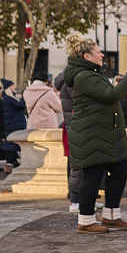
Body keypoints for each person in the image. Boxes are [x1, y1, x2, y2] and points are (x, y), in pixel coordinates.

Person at [64, 34, 127, 234]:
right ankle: (86, 221)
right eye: (98, 52)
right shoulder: (84, 76)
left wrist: (117, 82)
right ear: (87, 56)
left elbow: (105, 94)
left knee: (121, 168)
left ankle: (111, 215)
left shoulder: (89, 74)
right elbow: (110, 95)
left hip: (101, 135)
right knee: (92, 177)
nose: (102, 55)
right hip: (91, 135)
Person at [54, 71, 81, 212]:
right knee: (75, 165)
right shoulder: (71, 83)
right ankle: (75, 199)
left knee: (73, 162)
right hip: (75, 127)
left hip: (69, 126)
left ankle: (77, 198)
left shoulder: (66, 82)